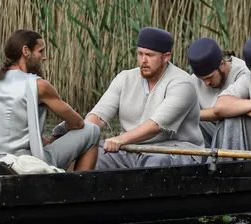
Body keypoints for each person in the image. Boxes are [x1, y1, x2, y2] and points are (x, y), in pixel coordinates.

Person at [0, 29, 99, 171]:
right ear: (26, 51)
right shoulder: (38, 85)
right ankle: (81, 184)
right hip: (23, 165)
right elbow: (77, 123)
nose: (44, 57)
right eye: (41, 51)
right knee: (92, 130)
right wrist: (57, 132)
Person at [86, 27, 203, 169]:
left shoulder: (183, 83)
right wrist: (84, 135)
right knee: (93, 153)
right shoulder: (125, 78)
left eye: (149, 55)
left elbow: (156, 126)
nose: (143, 60)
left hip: (174, 150)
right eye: (140, 54)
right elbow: (99, 115)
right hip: (130, 148)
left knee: (155, 161)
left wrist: (121, 139)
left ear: (166, 57)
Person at [186, 37, 248, 147]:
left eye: (210, 77)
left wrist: (192, 114)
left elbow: (224, 110)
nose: (206, 83)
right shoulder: (194, 80)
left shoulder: (243, 73)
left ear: (222, 64)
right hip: (209, 134)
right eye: (202, 79)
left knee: (232, 118)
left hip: (239, 135)